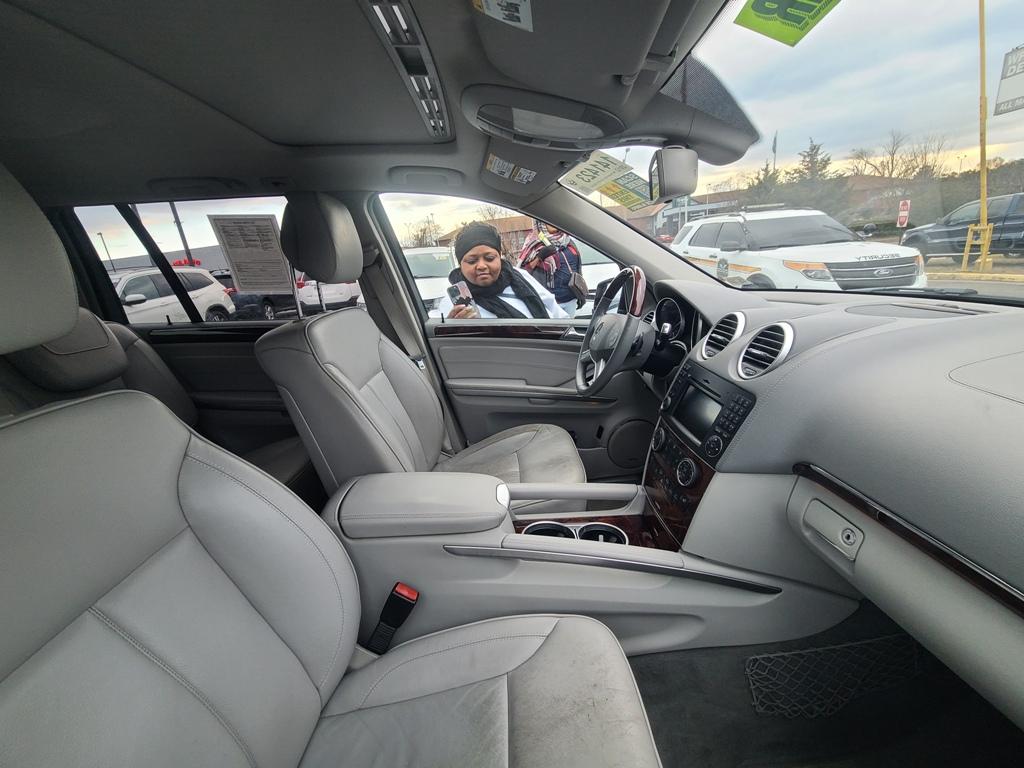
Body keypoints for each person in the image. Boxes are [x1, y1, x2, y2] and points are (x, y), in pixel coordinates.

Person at [439, 221, 568, 320]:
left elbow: (558, 315)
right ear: (460, 264)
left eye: (489, 258)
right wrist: (451, 330)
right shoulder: (452, 305)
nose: (481, 266)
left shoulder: (520, 277)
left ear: (499, 257)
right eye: (472, 261)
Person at [518, 219, 584, 317]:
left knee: (570, 326)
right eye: (548, 220)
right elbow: (523, 273)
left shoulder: (567, 240)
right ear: (540, 223)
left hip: (571, 299)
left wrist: (580, 293)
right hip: (550, 303)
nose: (553, 222)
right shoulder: (534, 242)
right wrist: (540, 257)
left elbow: (577, 267)